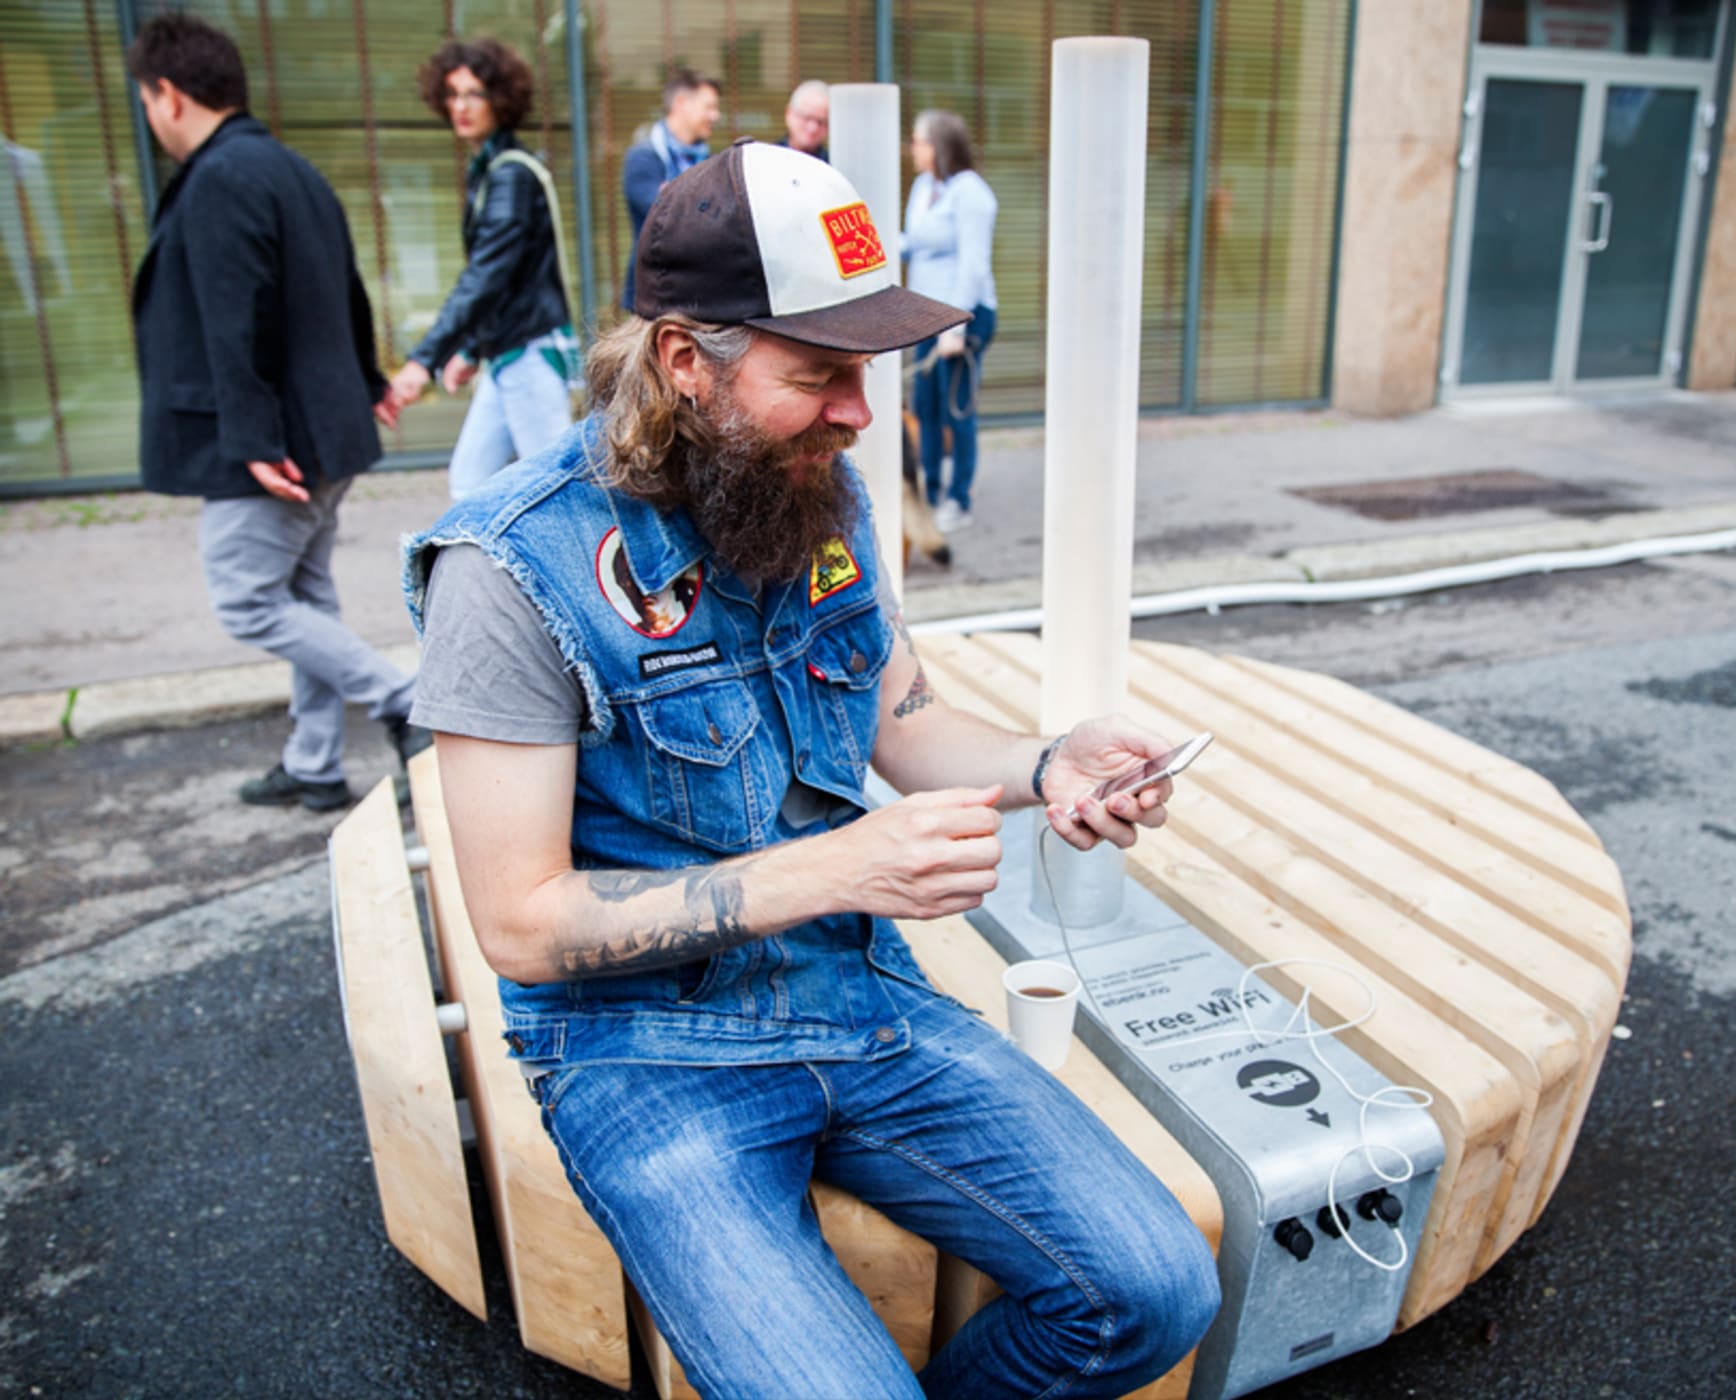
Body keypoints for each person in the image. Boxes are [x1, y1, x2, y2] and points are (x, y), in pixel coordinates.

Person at [402, 140, 1219, 1398]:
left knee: (1156, 1290)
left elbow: (900, 724)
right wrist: (835, 864)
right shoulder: (510, 568)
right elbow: (519, 923)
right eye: (820, 373)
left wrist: (1049, 761)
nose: (858, 413)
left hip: (855, 993)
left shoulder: (809, 493)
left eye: (867, 372)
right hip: (641, 1055)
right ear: (685, 361)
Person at [126, 13, 426, 813]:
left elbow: (235, 316)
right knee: (305, 596)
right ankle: (315, 761)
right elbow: (347, 289)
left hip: (273, 442)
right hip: (320, 429)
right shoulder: (293, 171)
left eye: (148, 102)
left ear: (168, 93)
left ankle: (403, 700)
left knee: (248, 599)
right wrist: (366, 381)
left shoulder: (222, 176)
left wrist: (253, 438)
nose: (152, 120)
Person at [388, 38, 574, 502]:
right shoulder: (491, 170)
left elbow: (488, 275)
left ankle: (591, 573)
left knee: (557, 496)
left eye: (474, 94)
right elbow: (499, 277)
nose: (461, 106)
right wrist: (471, 349)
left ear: (501, 100)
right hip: (507, 351)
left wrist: (425, 359)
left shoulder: (509, 174)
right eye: (453, 94)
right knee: (471, 485)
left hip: (527, 353)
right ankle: (493, 575)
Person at [902, 110, 997, 534]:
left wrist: (956, 327)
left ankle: (959, 498)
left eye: (918, 141)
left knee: (957, 410)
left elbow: (973, 266)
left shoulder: (971, 193)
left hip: (963, 317)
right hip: (926, 316)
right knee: (926, 407)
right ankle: (933, 492)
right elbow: (912, 244)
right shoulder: (924, 187)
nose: (913, 148)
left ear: (938, 145)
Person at [619, 68, 720, 310]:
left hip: (701, 294)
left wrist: (675, 195)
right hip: (653, 297)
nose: (715, 115)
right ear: (681, 103)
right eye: (709, 107)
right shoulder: (643, 158)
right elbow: (663, 217)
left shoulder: (711, 161)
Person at [778, 78, 829, 159]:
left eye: (821, 122)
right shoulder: (768, 160)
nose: (813, 128)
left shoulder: (834, 167)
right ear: (789, 113)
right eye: (807, 118)